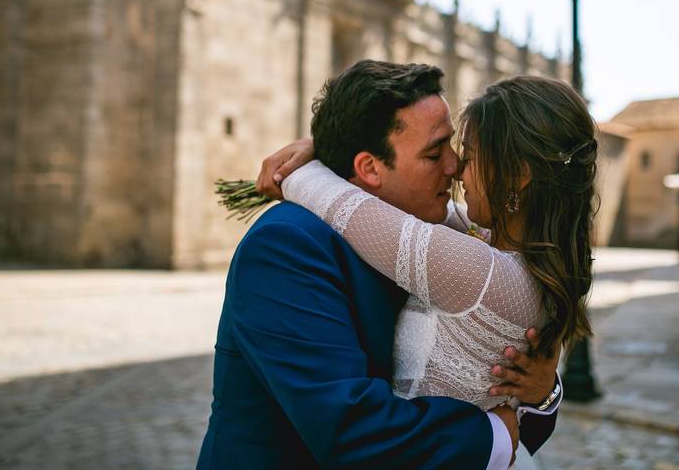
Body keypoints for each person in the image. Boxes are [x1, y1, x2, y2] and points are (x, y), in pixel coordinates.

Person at [197, 61, 563, 469]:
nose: (455, 167)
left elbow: (500, 391)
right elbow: (349, 426)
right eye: (433, 152)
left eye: (452, 146)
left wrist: (543, 393)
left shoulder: (431, 233)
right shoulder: (286, 245)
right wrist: (494, 435)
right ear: (368, 168)